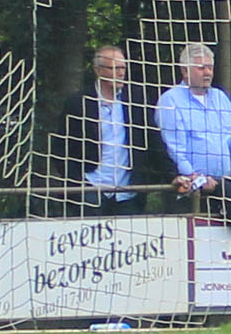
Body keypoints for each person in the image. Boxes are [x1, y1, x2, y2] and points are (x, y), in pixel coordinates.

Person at [42, 44, 165, 215]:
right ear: (98, 71)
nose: (121, 73)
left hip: (128, 193)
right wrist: (77, 183)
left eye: (123, 67)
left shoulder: (136, 99)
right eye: (115, 68)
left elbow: (154, 141)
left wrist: (173, 175)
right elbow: (61, 150)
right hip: (91, 190)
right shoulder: (78, 103)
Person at [157, 42, 231, 227]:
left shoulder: (221, 98)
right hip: (191, 193)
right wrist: (196, 177)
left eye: (210, 67)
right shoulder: (170, 101)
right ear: (185, 71)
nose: (208, 73)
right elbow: (174, 149)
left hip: (227, 190)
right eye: (201, 68)